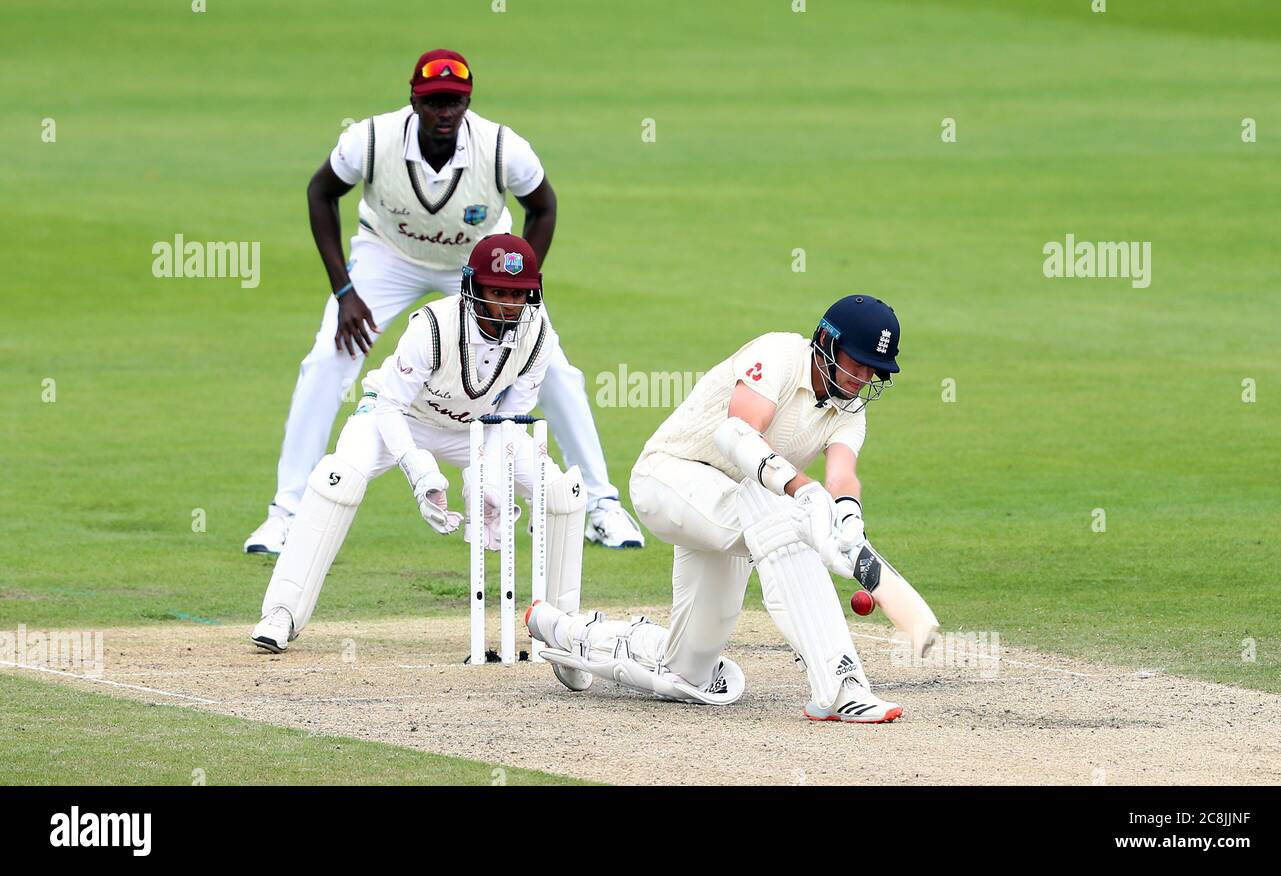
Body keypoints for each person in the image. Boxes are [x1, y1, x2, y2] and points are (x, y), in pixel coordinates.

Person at [244, 48, 643, 556]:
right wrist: (344, 291)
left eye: (454, 102)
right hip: (387, 255)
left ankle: (601, 506)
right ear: (413, 99)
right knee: (328, 358)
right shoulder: (368, 139)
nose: (444, 112)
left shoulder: (502, 147)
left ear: (468, 101)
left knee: (557, 370)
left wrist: (517, 287)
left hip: (479, 263)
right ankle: (287, 513)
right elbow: (320, 193)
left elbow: (542, 207)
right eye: (433, 102)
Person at [526, 295, 940, 722]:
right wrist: (804, 491)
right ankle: (841, 686)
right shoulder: (777, 353)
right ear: (826, 341)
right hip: (668, 479)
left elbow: (842, 477)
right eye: (857, 362)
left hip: (737, 509)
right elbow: (737, 434)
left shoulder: (850, 409)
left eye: (875, 369)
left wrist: (848, 516)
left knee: (688, 672)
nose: (863, 377)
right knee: (787, 519)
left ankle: (566, 632)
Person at [251, 235, 586, 652]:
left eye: (519, 295)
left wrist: (488, 480)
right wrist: (418, 469)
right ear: (472, 288)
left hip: (480, 428)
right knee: (338, 480)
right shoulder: (431, 325)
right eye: (497, 292)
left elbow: (509, 419)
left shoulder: (539, 338)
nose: (508, 306)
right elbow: (390, 405)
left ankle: (566, 630)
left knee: (562, 493)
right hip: (400, 418)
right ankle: (282, 613)